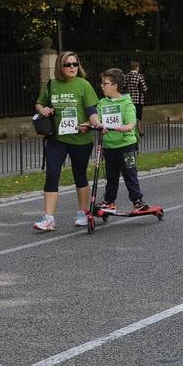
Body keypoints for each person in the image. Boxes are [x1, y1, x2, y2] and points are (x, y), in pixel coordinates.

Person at [33, 50, 101, 231]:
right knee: (52, 174)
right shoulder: (51, 84)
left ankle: (83, 212)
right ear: (59, 67)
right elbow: (39, 103)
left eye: (75, 64)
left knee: (79, 175)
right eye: (68, 64)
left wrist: (93, 123)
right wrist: (43, 110)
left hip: (80, 138)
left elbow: (92, 110)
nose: (72, 67)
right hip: (57, 138)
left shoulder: (83, 85)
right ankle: (48, 218)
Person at [95, 69, 149, 214]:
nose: (101, 85)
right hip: (109, 145)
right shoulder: (102, 103)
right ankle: (109, 201)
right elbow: (97, 120)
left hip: (126, 144)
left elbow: (131, 121)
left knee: (129, 173)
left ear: (115, 85)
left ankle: (137, 201)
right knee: (111, 175)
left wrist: (126, 127)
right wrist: (97, 125)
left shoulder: (127, 103)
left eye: (105, 83)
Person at [125, 59, 149, 125]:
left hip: (128, 99)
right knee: (138, 117)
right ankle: (139, 131)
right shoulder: (139, 76)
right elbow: (144, 88)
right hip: (138, 100)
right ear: (137, 67)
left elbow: (124, 87)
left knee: (130, 115)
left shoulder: (126, 76)